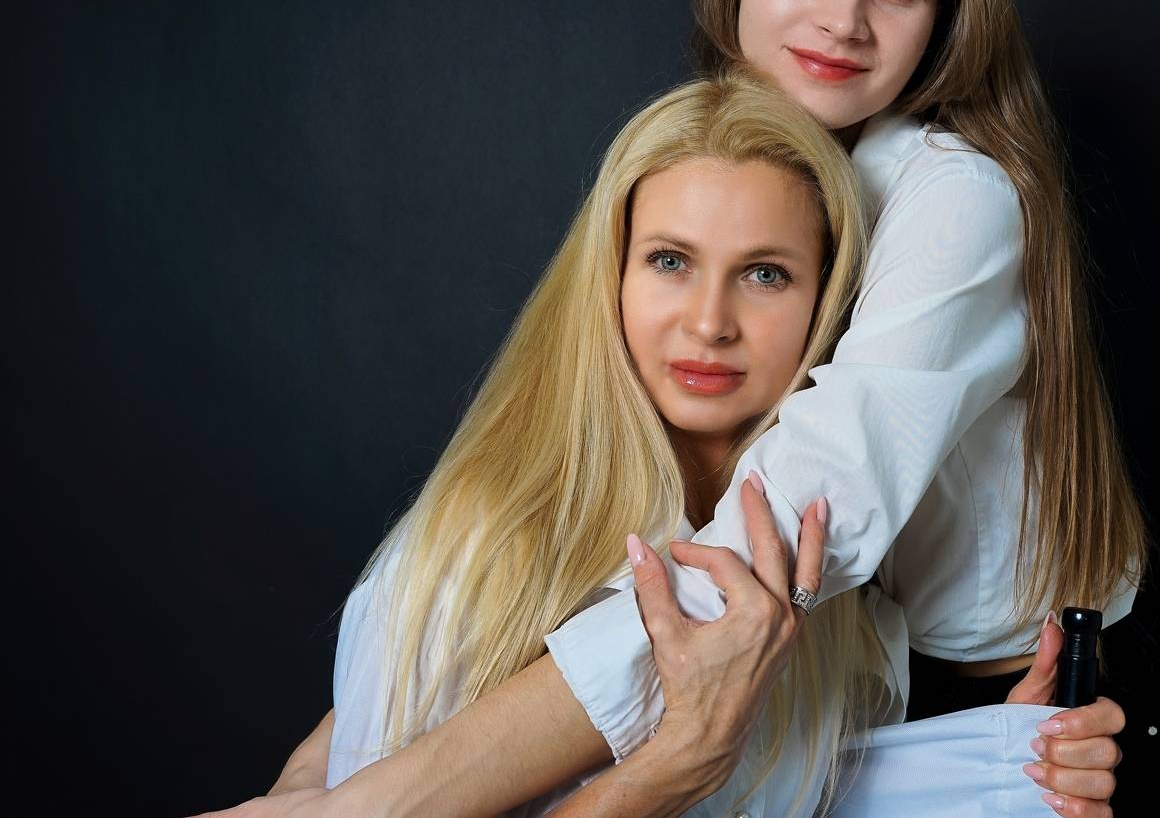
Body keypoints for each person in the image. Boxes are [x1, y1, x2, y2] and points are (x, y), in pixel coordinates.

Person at [198, 0, 1144, 817]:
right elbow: (521, 569)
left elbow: (791, 525)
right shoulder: (727, 166)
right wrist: (322, 771)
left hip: (981, 682)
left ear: (943, 15)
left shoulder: (949, 194)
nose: (843, 19)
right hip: (845, 682)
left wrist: (367, 804)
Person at [191, 71, 1089, 818]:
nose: (709, 322)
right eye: (669, 260)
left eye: (765, 273)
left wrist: (999, 769)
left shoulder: (831, 593)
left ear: (828, 303)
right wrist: (669, 767)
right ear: (611, 277)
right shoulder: (483, 556)